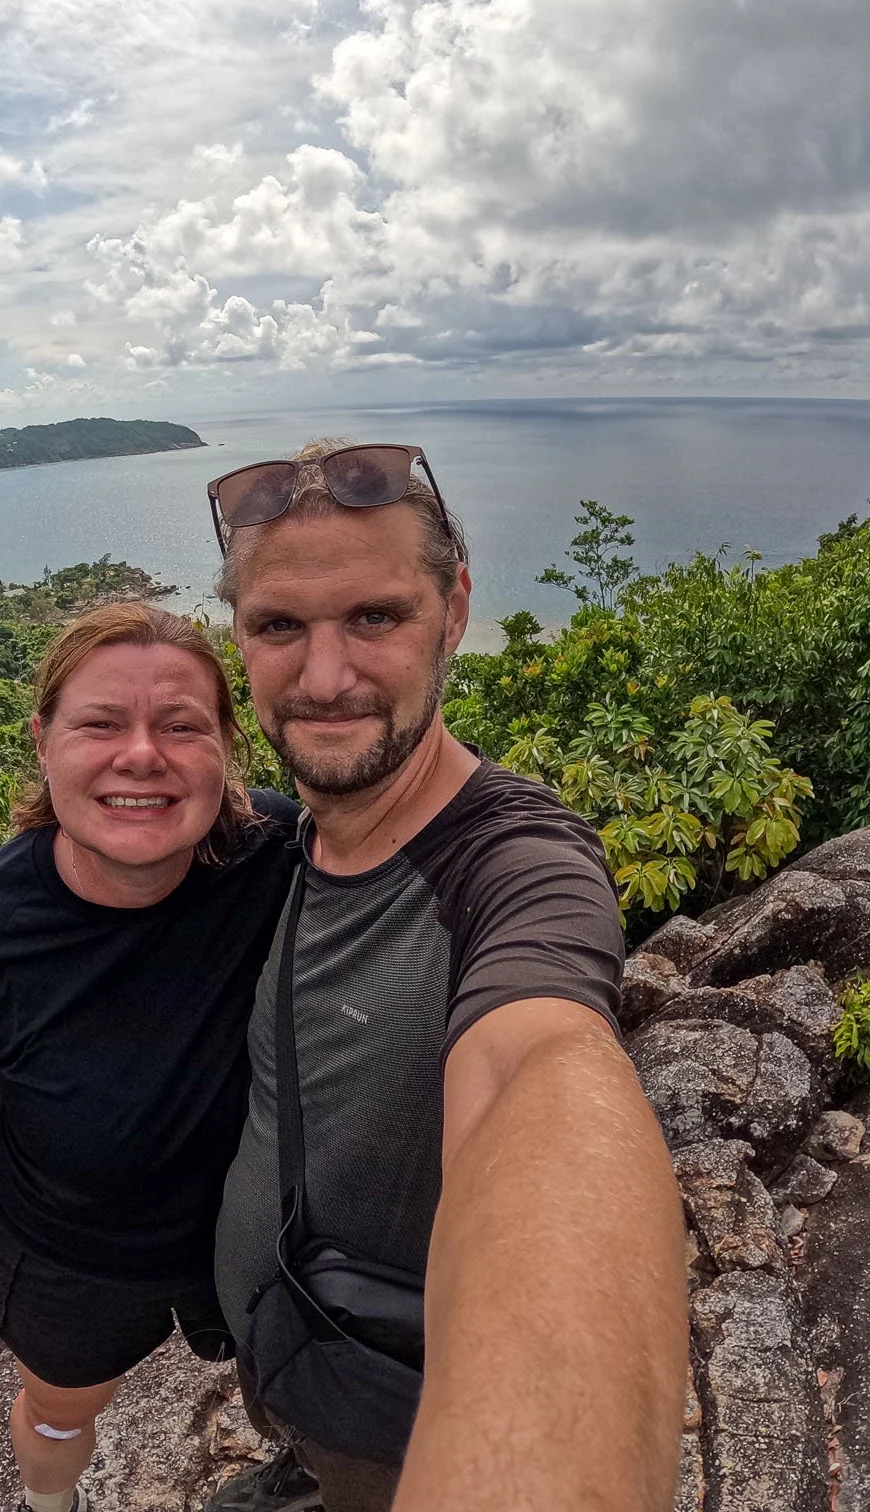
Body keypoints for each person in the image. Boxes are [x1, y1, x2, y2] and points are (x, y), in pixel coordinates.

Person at [203, 442, 688, 1512]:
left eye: (375, 617)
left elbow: (536, 1066)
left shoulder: (513, 866)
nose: (324, 677)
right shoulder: (285, 840)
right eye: (278, 626)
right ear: (239, 636)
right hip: (298, 1355)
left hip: (394, 1416)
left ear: (454, 610)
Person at [0, 602, 300, 1512]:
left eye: (181, 726)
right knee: (58, 1415)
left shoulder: (277, 851)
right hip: (70, 1252)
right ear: (43, 741)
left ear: (227, 747)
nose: (142, 756)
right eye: (100, 724)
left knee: (293, 1384)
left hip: (254, 1226)